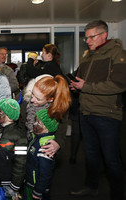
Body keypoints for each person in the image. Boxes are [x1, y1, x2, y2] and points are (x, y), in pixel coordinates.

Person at [70, 20, 126, 199]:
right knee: (91, 155)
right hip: (86, 113)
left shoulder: (118, 54)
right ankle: (91, 186)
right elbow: (82, 82)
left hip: (107, 115)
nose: (87, 41)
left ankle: (118, 194)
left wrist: (86, 86)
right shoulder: (88, 57)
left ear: (104, 35)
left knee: (111, 159)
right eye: (86, 37)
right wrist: (75, 86)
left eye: (91, 37)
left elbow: (119, 84)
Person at [22, 75, 71, 156]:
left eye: (38, 99)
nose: (32, 100)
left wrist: (58, 143)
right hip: (25, 141)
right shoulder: (26, 99)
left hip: (44, 145)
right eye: (32, 94)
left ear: (51, 99)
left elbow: (61, 130)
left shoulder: (59, 107)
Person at [24, 109, 59, 200]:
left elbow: (45, 173)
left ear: (47, 128)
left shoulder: (45, 147)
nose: (34, 124)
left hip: (37, 188)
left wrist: (38, 191)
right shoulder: (36, 139)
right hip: (30, 183)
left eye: (38, 123)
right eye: (35, 121)